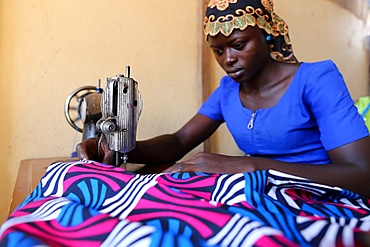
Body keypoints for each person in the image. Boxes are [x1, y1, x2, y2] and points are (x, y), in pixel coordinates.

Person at [76, 0, 370, 197]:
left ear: (267, 34)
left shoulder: (316, 80)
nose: (228, 59)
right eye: (218, 51)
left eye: (238, 45)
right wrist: (119, 145)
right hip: (263, 194)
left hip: (321, 200)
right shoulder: (228, 91)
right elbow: (179, 142)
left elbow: (362, 175)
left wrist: (253, 165)